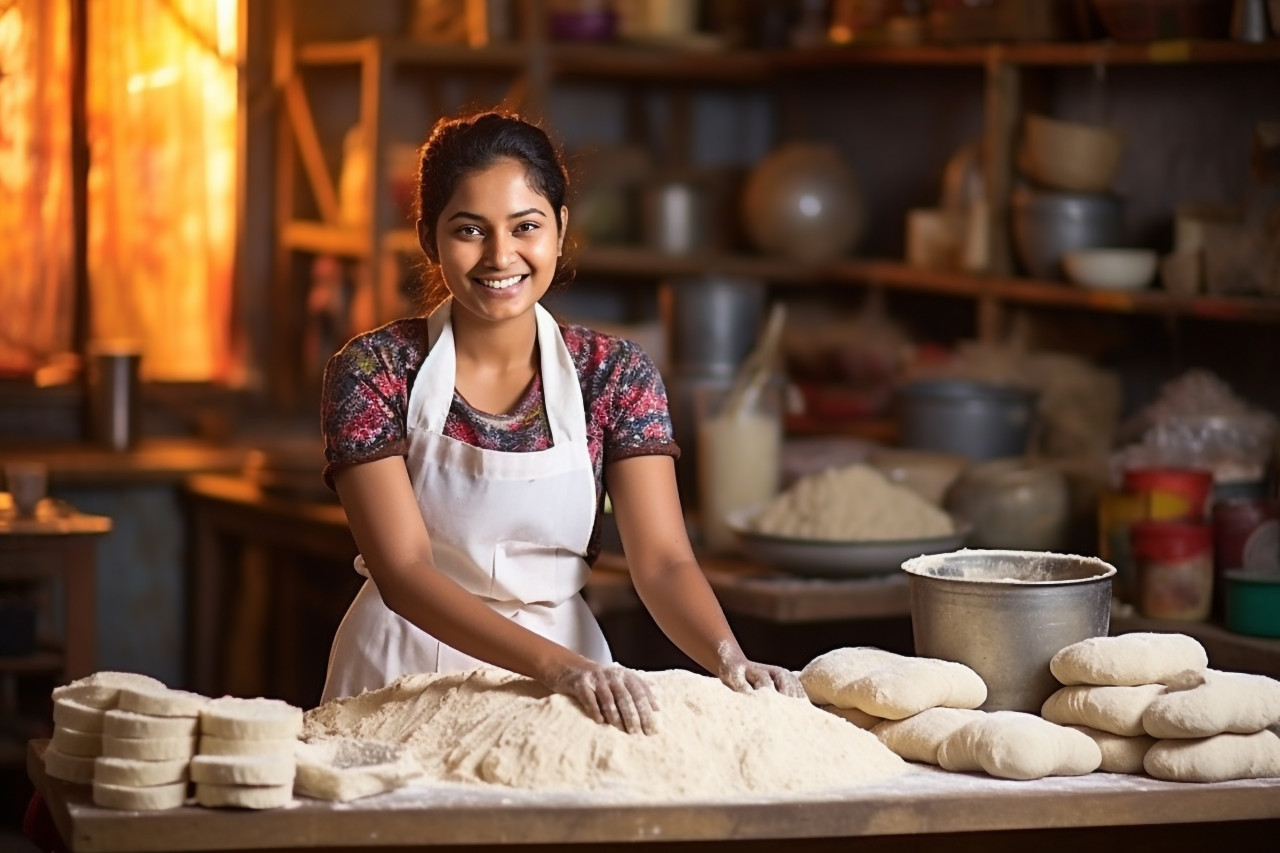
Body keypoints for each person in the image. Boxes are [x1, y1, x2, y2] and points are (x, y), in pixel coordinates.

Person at [319, 110, 803, 734]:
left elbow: (661, 562)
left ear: (560, 228)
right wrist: (556, 667)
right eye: (470, 229)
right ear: (427, 237)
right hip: (403, 679)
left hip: (572, 692)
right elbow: (404, 572)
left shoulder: (614, 373)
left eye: (526, 226)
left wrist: (728, 658)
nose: (501, 256)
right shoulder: (375, 370)